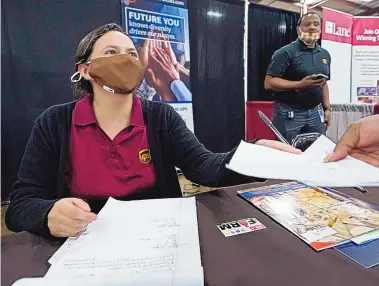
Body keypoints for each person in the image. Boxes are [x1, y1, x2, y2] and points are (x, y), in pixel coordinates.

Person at [5, 23, 300, 239]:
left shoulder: (160, 117)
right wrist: (47, 215)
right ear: (85, 70)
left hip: (159, 240)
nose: (126, 59)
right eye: (111, 52)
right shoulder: (54, 123)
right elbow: (20, 206)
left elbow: (204, 168)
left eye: (132, 54)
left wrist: (254, 153)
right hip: (84, 244)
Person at [265, 12, 332, 144]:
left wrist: (327, 108)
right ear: (298, 29)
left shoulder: (324, 54)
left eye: (316, 24)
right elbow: (269, 83)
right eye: (307, 24)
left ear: (320, 29)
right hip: (288, 113)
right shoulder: (285, 52)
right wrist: (300, 84)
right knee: (288, 155)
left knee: (318, 152)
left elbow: (323, 84)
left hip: (315, 113)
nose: (312, 27)